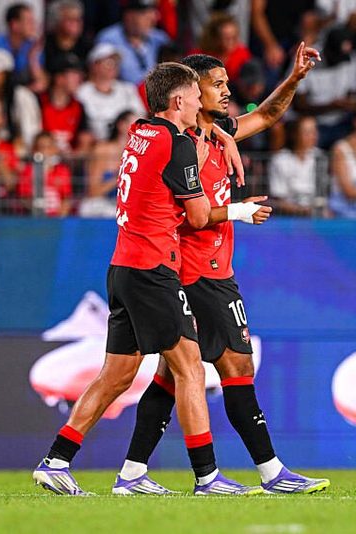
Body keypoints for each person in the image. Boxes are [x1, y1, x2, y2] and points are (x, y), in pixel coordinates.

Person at [112, 49, 331, 495]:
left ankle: (132, 471)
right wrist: (236, 211)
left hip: (208, 267)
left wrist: (294, 76)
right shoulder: (181, 142)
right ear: (191, 92)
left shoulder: (216, 133)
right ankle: (271, 473)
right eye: (216, 84)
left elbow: (267, 114)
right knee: (236, 363)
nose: (227, 90)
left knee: (170, 377)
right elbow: (189, 213)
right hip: (196, 270)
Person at [33, 61, 253, 496]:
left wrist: (223, 134)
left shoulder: (141, 131)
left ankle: (58, 460)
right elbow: (198, 215)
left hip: (123, 268)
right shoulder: (178, 144)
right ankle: (207, 476)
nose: (198, 105)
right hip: (154, 269)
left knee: (116, 375)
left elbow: (178, 148)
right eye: (194, 96)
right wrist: (242, 210)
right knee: (190, 369)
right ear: (177, 101)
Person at [76, 43, 146, 140]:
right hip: (97, 145)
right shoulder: (82, 92)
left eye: (116, 62)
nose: (113, 66)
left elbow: (140, 118)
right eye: (109, 62)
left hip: (128, 143)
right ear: (94, 65)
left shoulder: (128, 89)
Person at [95, 0, 171, 85]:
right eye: (144, 13)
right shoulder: (109, 39)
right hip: (124, 95)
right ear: (128, 16)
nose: (151, 19)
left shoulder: (160, 39)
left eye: (152, 12)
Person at [81, 110, 136, 218]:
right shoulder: (102, 150)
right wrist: (119, 177)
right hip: (102, 204)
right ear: (121, 125)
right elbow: (93, 191)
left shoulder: (141, 152)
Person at [38, 53, 93, 157]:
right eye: (74, 74)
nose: (80, 79)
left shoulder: (79, 107)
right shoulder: (39, 102)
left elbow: (85, 139)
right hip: (42, 159)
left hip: (69, 163)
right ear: (59, 78)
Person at [268, 116, 323, 216]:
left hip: (315, 212)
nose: (313, 136)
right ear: (295, 134)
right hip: (286, 214)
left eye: (314, 131)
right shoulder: (280, 159)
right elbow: (278, 197)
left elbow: (323, 193)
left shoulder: (320, 157)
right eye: (307, 132)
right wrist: (299, 210)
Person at [0, 3, 40, 86]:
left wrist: (32, 58)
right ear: (14, 25)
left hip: (19, 92)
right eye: (29, 21)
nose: (33, 26)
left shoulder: (32, 46)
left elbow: (41, 81)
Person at [17, 131, 73, 217]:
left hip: (57, 219)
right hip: (35, 218)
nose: (46, 151)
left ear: (55, 149)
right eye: (42, 147)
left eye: (49, 147)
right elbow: (25, 198)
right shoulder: (28, 171)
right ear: (35, 151)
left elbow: (66, 199)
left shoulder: (62, 171)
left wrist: (60, 217)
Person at [191, 12, 251, 84]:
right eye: (227, 38)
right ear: (215, 38)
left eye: (234, 37)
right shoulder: (197, 57)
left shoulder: (242, 54)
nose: (231, 42)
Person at [42, 0, 92, 75]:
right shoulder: (44, 45)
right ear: (57, 22)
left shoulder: (88, 46)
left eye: (78, 19)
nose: (76, 24)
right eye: (70, 19)